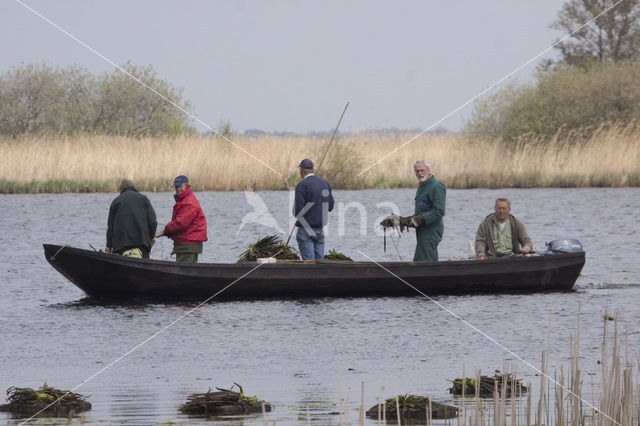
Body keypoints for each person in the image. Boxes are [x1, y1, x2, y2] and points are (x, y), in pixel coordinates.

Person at [156, 175, 208, 263]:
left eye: (180, 186)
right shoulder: (185, 199)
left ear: (187, 185)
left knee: (184, 272)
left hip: (187, 244)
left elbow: (180, 223)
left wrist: (166, 230)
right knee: (190, 272)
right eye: (176, 186)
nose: (178, 188)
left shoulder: (188, 202)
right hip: (189, 244)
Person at [403, 160, 446, 261]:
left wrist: (421, 218)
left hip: (431, 231)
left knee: (425, 259)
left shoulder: (436, 186)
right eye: (417, 171)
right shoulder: (422, 185)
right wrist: (405, 221)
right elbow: (422, 211)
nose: (420, 173)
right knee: (421, 259)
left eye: (422, 170)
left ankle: (430, 276)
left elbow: (439, 211)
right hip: (422, 231)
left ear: (429, 170)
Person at [294, 158, 335, 260]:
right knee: (319, 264)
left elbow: (298, 212)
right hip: (319, 230)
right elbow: (330, 207)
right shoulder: (325, 183)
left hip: (305, 231)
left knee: (309, 264)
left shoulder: (301, 185)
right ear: (312, 170)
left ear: (302, 170)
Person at [106, 179, 157, 258]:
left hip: (120, 246)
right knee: (143, 268)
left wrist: (109, 246)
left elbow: (110, 228)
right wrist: (151, 237)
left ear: (121, 189)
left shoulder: (116, 201)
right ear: (133, 187)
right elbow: (153, 222)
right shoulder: (144, 199)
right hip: (142, 244)